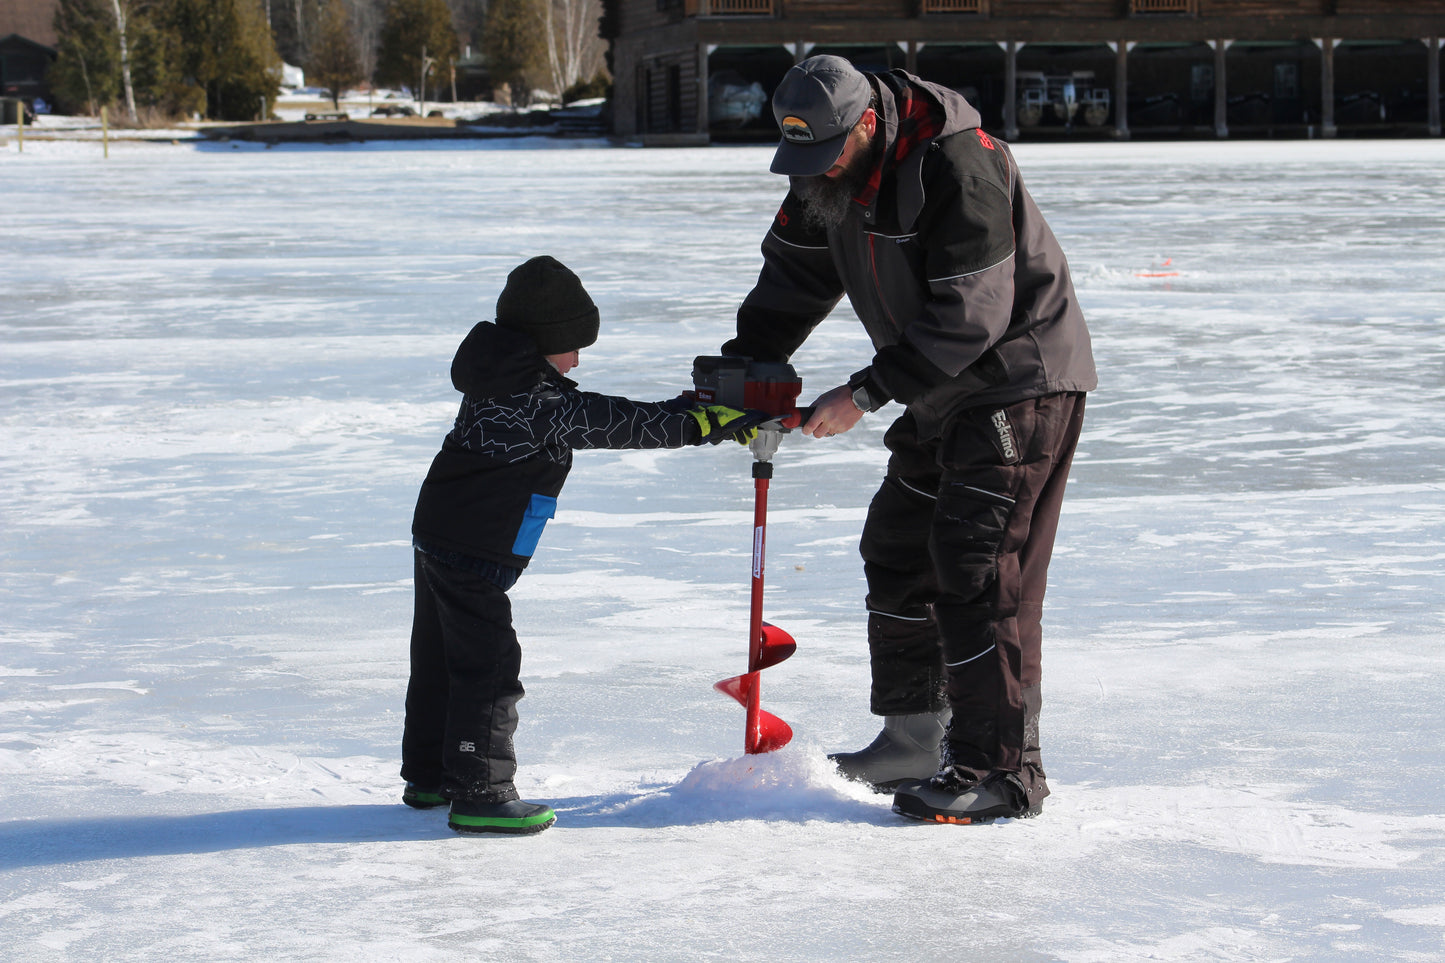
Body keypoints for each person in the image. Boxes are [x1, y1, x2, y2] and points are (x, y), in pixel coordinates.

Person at [722, 55, 1096, 824]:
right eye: (798, 157)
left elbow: (973, 314)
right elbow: (792, 277)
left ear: (865, 125)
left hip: (1014, 383)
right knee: (898, 546)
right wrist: (747, 364)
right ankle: (912, 738)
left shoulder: (959, 164)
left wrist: (862, 394)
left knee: (977, 572)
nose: (810, 170)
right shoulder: (822, 173)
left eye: (822, 152)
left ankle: (999, 772)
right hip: (937, 391)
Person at [403, 255, 767, 835]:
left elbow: (598, 412)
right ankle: (481, 792)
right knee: (488, 667)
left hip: (445, 534)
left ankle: (431, 775)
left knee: (442, 660)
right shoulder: (534, 401)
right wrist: (702, 424)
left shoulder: (506, 380)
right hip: (472, 548)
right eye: (574, 345)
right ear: (546, 342)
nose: (578, 359)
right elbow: (615, 422)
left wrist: (693, 413)